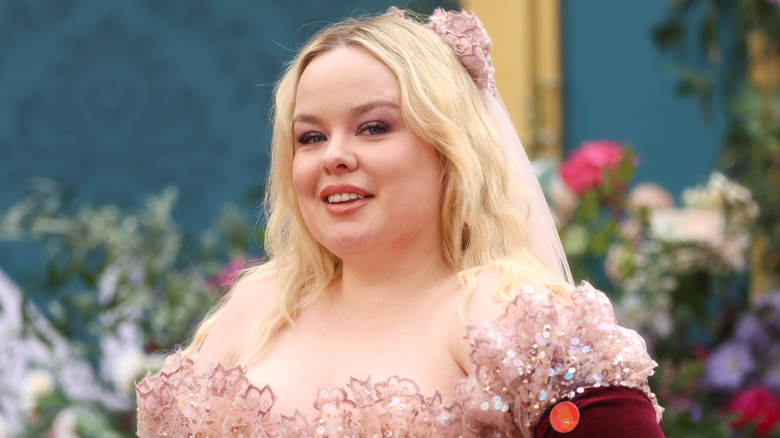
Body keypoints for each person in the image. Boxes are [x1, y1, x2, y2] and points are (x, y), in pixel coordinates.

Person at [136, 8, 664, 437]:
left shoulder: (505, 314)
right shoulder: (256, 311)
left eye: (372, 127)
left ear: (449, 148)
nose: (333, 157)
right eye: (311, 137)